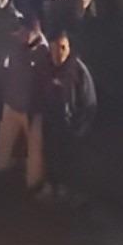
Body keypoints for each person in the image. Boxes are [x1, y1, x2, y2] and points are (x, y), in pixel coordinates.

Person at [32, 31, 96, 200]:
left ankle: (68, 189)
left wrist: (79, 128)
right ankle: (50, 184)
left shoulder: (78, 71)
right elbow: (37, 92)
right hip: (50, 123)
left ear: (69, 47)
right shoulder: (44, 67)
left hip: (70, 127)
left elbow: (89, 103)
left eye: (62, 48)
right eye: (54, 48)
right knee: (50, 155)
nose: (58, 53)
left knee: (69, 159)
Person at [0, 16, 48, 189]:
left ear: (34, 31)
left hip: (32, 110)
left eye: (23, 31)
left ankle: (33, 185)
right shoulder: (14, 47)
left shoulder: (43, 52)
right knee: (4, 147)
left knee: (34, 153)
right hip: (11, 105)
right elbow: (5, 71)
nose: (19, 35)